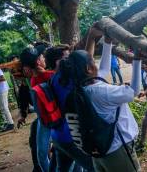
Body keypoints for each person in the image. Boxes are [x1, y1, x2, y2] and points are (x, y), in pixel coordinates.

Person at [58, 24, 142, 172]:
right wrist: (137, 59)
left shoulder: (80, 90)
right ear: (89, 69)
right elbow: (134, 90)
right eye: (92, 60)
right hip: (117, 149)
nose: (95, 62)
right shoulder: (103, 91)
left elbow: (103, 70)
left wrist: (107, 43)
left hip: (99, 151)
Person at [46, 45, 96, 172]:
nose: (71, 61)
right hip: (72, 137)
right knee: (95, 167)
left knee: (62, 168)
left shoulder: (53, 79)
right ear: (58, 62)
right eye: (68, 58)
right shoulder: (67, 80)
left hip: (58, 136)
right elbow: (86, 63)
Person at [19, 44, 54, 172]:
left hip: (48, 120)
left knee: (42, 154)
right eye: (42, 57)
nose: (44, 59)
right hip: (46, 119)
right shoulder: (45, 76)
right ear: (38, 61)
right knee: (42, 153)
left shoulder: (42, 77)